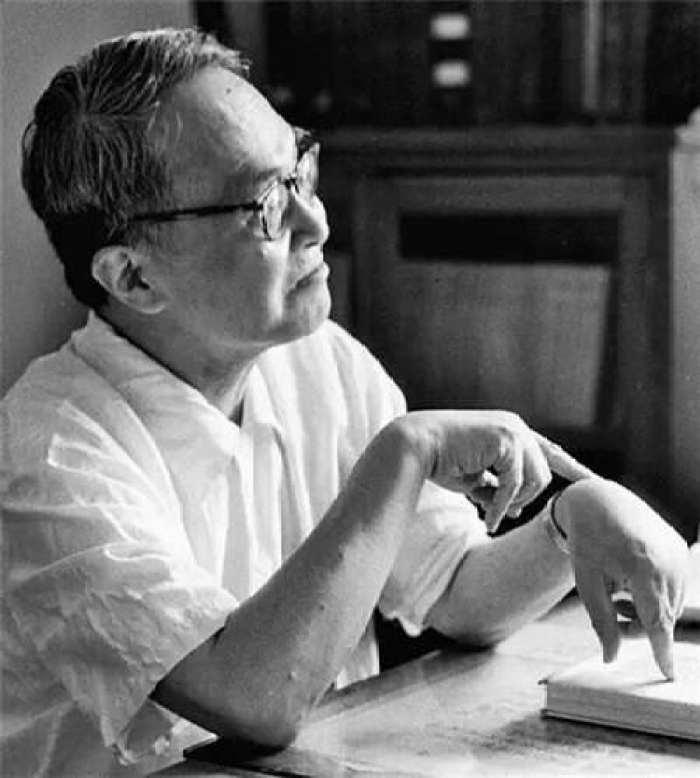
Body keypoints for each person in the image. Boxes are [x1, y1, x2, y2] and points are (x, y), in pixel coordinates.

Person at [0, 28, 690, 777]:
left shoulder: (316, 359)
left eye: (300, 169)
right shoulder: (48, 455)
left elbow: (454, 590)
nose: (317, 222)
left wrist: (570, 520)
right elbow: (254, 700)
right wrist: (405, 451)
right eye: (266, 204)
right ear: (134, 278)